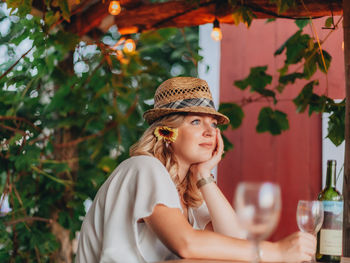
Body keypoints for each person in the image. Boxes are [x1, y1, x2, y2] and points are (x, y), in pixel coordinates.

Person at [76, 77, 316, 263]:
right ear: (168, 133)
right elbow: (186, 243)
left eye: (212, 124)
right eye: (195, 121)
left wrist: (203, 176)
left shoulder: (186, 193)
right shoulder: (143, 167)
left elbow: (237, 244)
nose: (210, 132)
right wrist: (277, 251)